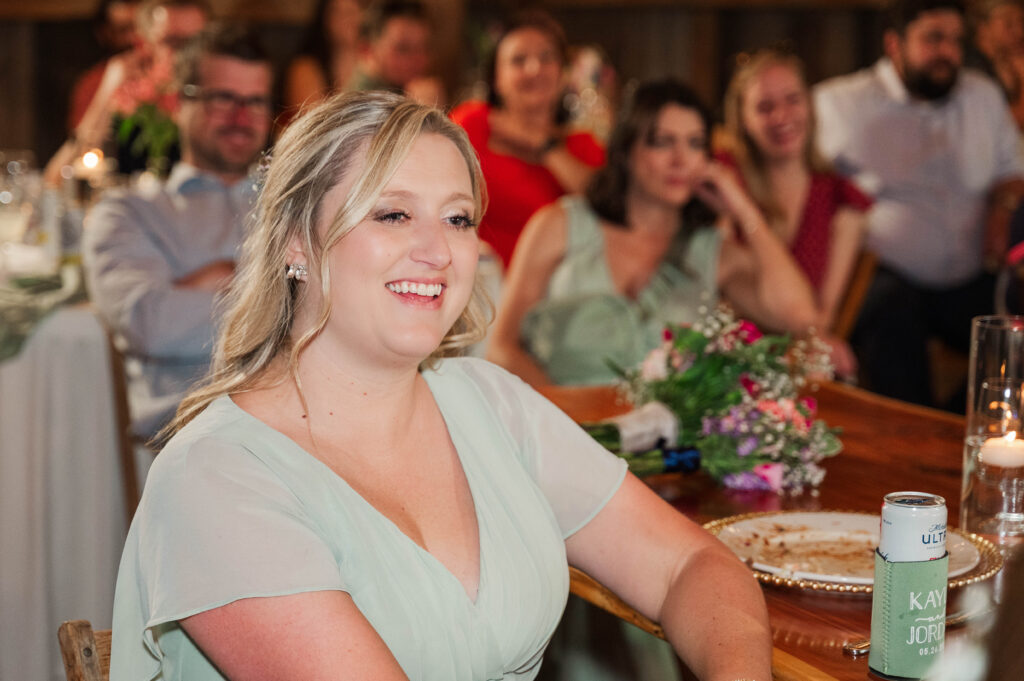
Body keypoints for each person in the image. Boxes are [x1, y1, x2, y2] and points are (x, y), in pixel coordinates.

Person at [108, 90, 773, 681]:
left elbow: (692, 567)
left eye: (458, 218)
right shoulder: (216, 478)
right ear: (294, 242)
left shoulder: (488, 401)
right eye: (393, 214)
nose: (438, 248)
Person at [487, 78, 819, 389]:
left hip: (665, 445)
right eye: (663, 142)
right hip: (558, 429)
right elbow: (501, 349)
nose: (680, 160)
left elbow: (800, 318)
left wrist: (743, 209)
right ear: (627, 150)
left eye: (694, 144)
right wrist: (565, 422)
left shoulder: (713, 251)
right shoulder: (559, 224)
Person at [814, 0, 1024, 407]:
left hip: (971, 273)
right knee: (889, 318)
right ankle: (913, 434)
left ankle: (963, 423)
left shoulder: (981, 95)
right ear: (893, 43)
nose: (948, 53)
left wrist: (1002, 206)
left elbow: (1013, 169)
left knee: (1011, 336)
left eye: (955, 41)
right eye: (933, 39)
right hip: (888, 276)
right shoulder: (839, 104)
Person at [83, 24, 273, 439]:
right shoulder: (129, 212)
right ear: (178, 102)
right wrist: (281, 294)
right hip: (199, 437)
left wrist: (219, 283)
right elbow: (151, 324)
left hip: (316, 433)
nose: (242, 117)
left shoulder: (296, 205)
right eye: (224, 98)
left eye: (256, 102)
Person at [721, 48, 872, 377]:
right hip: (729, 348)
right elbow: (713, 290)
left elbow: (820, 321)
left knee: (820, 361)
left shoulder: (842, 198)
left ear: (810, 106)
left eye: (792, 100)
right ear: (743, 119)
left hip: (795, 355)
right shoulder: (726, 180)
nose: (781, 116)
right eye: (764, 107)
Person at [450, 10, 605, 270]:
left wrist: (545, 146)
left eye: (546, 58)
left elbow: (607, 206)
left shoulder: (582, 145)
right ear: (496, 79)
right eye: (519, 60)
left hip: (558, 293)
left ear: (563, 73)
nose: (535, 69)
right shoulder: (472, 123)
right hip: (476, 281)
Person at [45, 0, 210, 183]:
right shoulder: (126, 90)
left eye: (198, 43)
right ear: (145, 42)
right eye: (173, 42)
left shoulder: (227, 97)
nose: (188, 55)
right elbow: (56, 178)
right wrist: (107, 92)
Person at [343, 0, 444, 106]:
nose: (419, 58)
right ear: (367, 50)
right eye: (403, 48)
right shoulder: (364, 105)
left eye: (425, 47)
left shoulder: (399, 90)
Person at [280, 0, 364, 126]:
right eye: (338, 12)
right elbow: (315, 124)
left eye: (352, 12)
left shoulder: (375, 64)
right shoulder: (305, 67)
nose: (347, 19)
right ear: (324, 18)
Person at [67, 0, 141, 131]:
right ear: (104, 33)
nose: (133, 38)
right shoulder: (92, 82)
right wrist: (110, 84)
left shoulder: (162, 75)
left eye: (138, 28)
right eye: (123, 30)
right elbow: (81, 142)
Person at [968, 0, 1024, 128]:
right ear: (983, 28)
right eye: (1008, 24)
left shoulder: (1006, 60)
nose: (1020, 32)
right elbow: (1005, 126)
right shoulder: (972, 70)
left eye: (1022, 22)